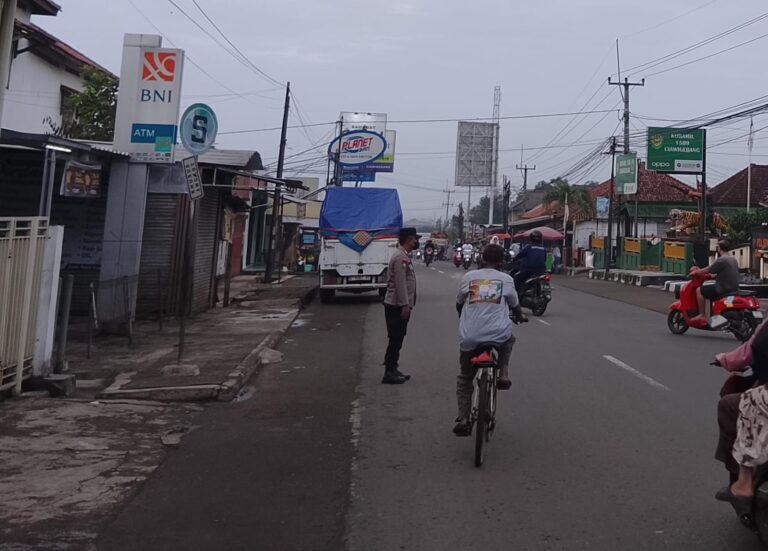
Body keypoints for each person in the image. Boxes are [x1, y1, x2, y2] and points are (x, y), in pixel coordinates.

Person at [453, 244, 526, 436]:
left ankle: (463, 417)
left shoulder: (469, 278)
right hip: (498, 334)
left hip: (471, 336)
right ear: (502, 261)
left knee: (465, 377)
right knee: (509, 339)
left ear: (481, 259)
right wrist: (519, 315)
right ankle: (503, 374)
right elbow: (515, 305)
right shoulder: (506, 279)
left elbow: (459, 301)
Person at [382, 227, 420, 385]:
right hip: (396, 304)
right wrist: (405, 304)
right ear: (408, 239)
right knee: (395, 338)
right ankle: (389, 372)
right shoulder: (400, 258)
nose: (416, 242)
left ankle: (393, 368)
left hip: (400, 304)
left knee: (398, 338)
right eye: (414, 239)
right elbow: (400, 283)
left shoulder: (403, 256)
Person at [690, 240, 740, 324]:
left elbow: (708, 269)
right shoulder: (733, 259)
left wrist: (696, 272)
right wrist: (713, 276)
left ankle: (702, 314)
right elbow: (725, 272)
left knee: (699, 290)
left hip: (722, 288)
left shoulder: (722, 259)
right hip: (733, 287)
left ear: (719, 248)